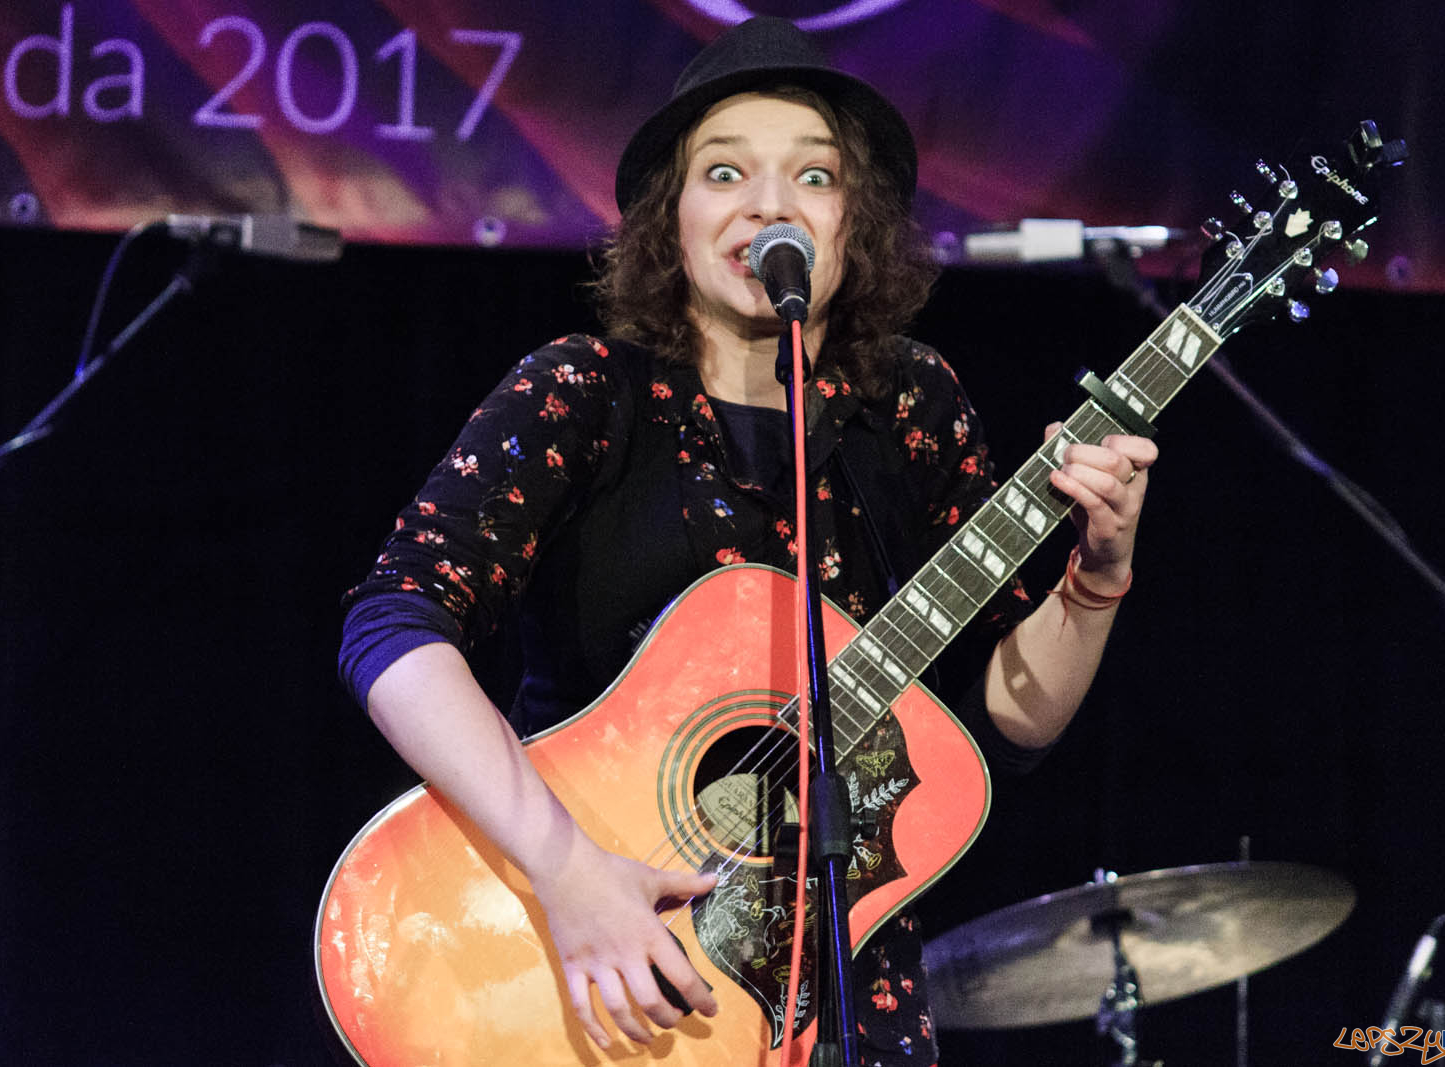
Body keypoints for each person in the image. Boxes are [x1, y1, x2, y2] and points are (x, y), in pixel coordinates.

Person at [338, 15, 1156, 1065]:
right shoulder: (586, 393)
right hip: (582, 947)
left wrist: (1094, 578)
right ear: (668, 221)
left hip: (849, 992)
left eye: (812, 178)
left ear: (853, 222)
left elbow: (1007, 715)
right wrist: (570, 869)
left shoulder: (912, 402)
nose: (769, 203)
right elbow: (392, 622)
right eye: (723, 173)